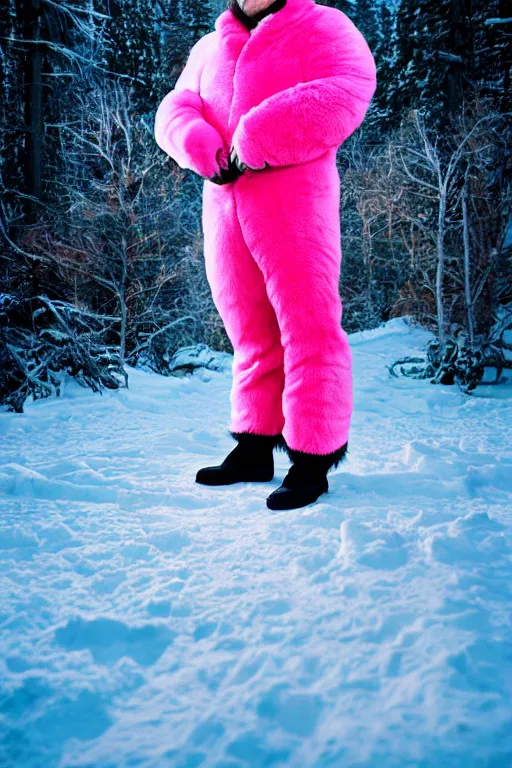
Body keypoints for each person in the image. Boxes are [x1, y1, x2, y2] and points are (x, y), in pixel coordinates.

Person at [154, 0, 377, 510]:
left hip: (295, 210)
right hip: (226, 210)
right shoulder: (210, 47)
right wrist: (200, 145)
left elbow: (347, 89)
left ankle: (311, 461)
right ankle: (254, 449)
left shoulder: (322, 26)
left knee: (309, 328)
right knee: (249, 332)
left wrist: (257, 135)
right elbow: (174, 108)